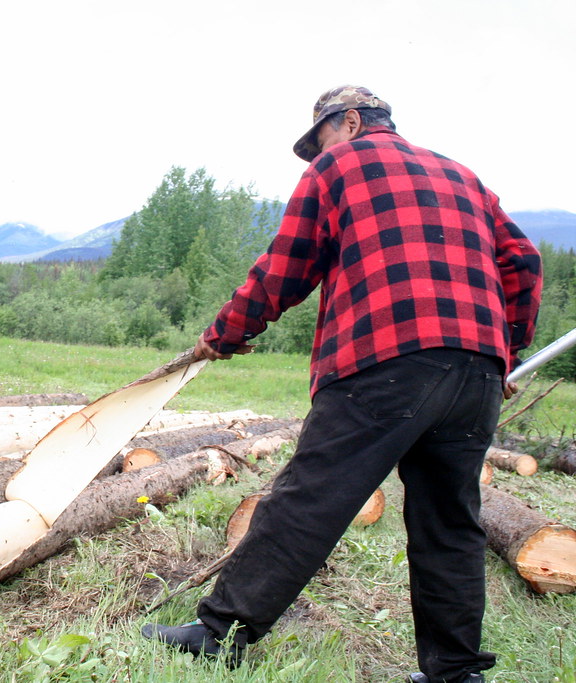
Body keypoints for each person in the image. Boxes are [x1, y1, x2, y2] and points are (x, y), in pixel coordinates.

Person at [141, 85, 543, 683]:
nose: (317, 155)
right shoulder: (464, 176)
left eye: (320, 140)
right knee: (450, 523)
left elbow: (285, 266)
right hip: (477, 371)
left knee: (309, 499)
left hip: (384, 359)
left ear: (351, 122)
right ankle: (455, 672)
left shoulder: (341, 165)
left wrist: (223, 335)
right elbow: (524, 263)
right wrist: (505, 350)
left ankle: (221, 634)